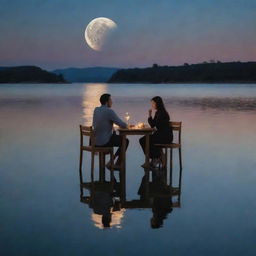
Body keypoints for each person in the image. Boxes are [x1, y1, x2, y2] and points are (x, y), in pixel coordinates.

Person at [93, 93, 129, 169]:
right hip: (104, 142)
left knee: (116, 137)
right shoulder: (109, 111)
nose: (112, 102)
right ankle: (115, 162)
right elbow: (122, 125)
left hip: (95, 142)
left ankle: (112, 161)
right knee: (125, 141)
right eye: (110, 100)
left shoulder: (96, 110)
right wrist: (127, 125)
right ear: (107, 102)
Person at [139, 96, 173, 168]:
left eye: (153, 103)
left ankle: (155, 158)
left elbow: (157, 125)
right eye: (152, 103)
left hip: (166, 136)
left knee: (147, 140)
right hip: (160, 135)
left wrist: (155, 127)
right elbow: (152, 125)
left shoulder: (163, 113)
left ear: (158, 103)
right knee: (143, 140)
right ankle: (155, 157)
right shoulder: (158, 112)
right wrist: (150, 115)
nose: (152, 105)